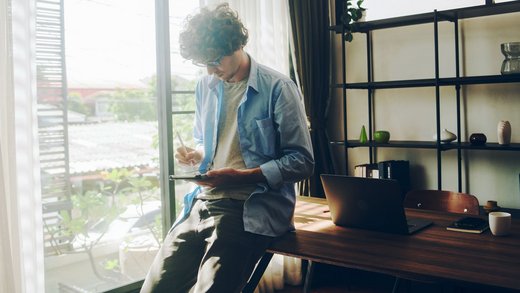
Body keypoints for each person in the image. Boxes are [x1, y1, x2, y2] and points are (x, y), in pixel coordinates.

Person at [141, 3, 314, 293]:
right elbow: (205, 141)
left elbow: (302, 162)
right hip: (203, 201)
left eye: (214, 60)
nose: (210, 70)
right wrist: (196, 154)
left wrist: (240, 177)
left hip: (250, 206)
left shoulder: (278, 88)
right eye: (203, 63)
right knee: (155, 289)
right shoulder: (205, 87)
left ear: (236, 44)